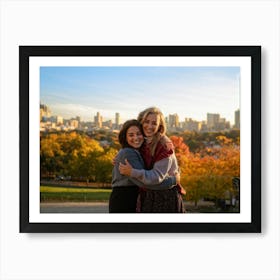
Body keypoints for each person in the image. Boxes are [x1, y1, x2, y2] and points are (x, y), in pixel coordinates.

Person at [119, 107, 185, 213]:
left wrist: (132, 172)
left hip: (165, 196)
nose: (149, 126)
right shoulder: (143, 141)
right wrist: (119, 158)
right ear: (141, 122)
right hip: (148, 195)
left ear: (160, 126)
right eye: (147, 121)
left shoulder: (164, 145)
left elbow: (156, 177)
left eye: (154, 123)